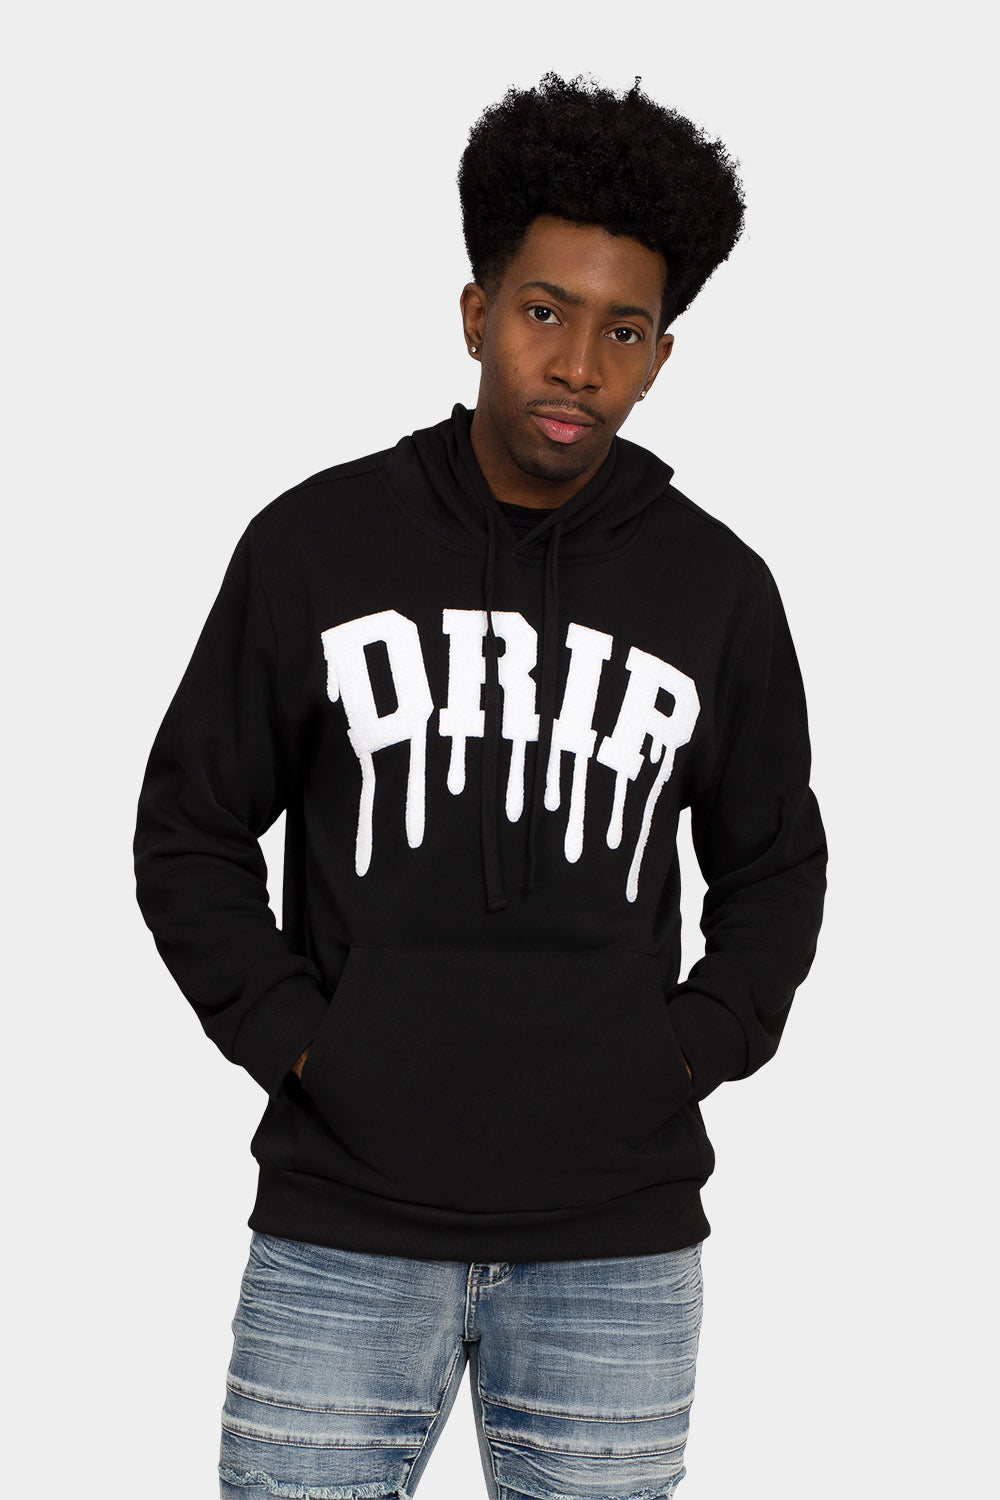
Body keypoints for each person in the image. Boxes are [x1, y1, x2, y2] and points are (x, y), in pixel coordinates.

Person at [134, 72, 827, 1500]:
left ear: (661, 355)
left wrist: (682, 1053)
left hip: (615, 1243)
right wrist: (304, 1043)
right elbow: (190, 827)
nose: (577, 364)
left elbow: (773, 866)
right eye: (544, 312)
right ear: (475, 314)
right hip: (340, 1225)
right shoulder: (315, 545)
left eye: (622, 330)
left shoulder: (717, 588)